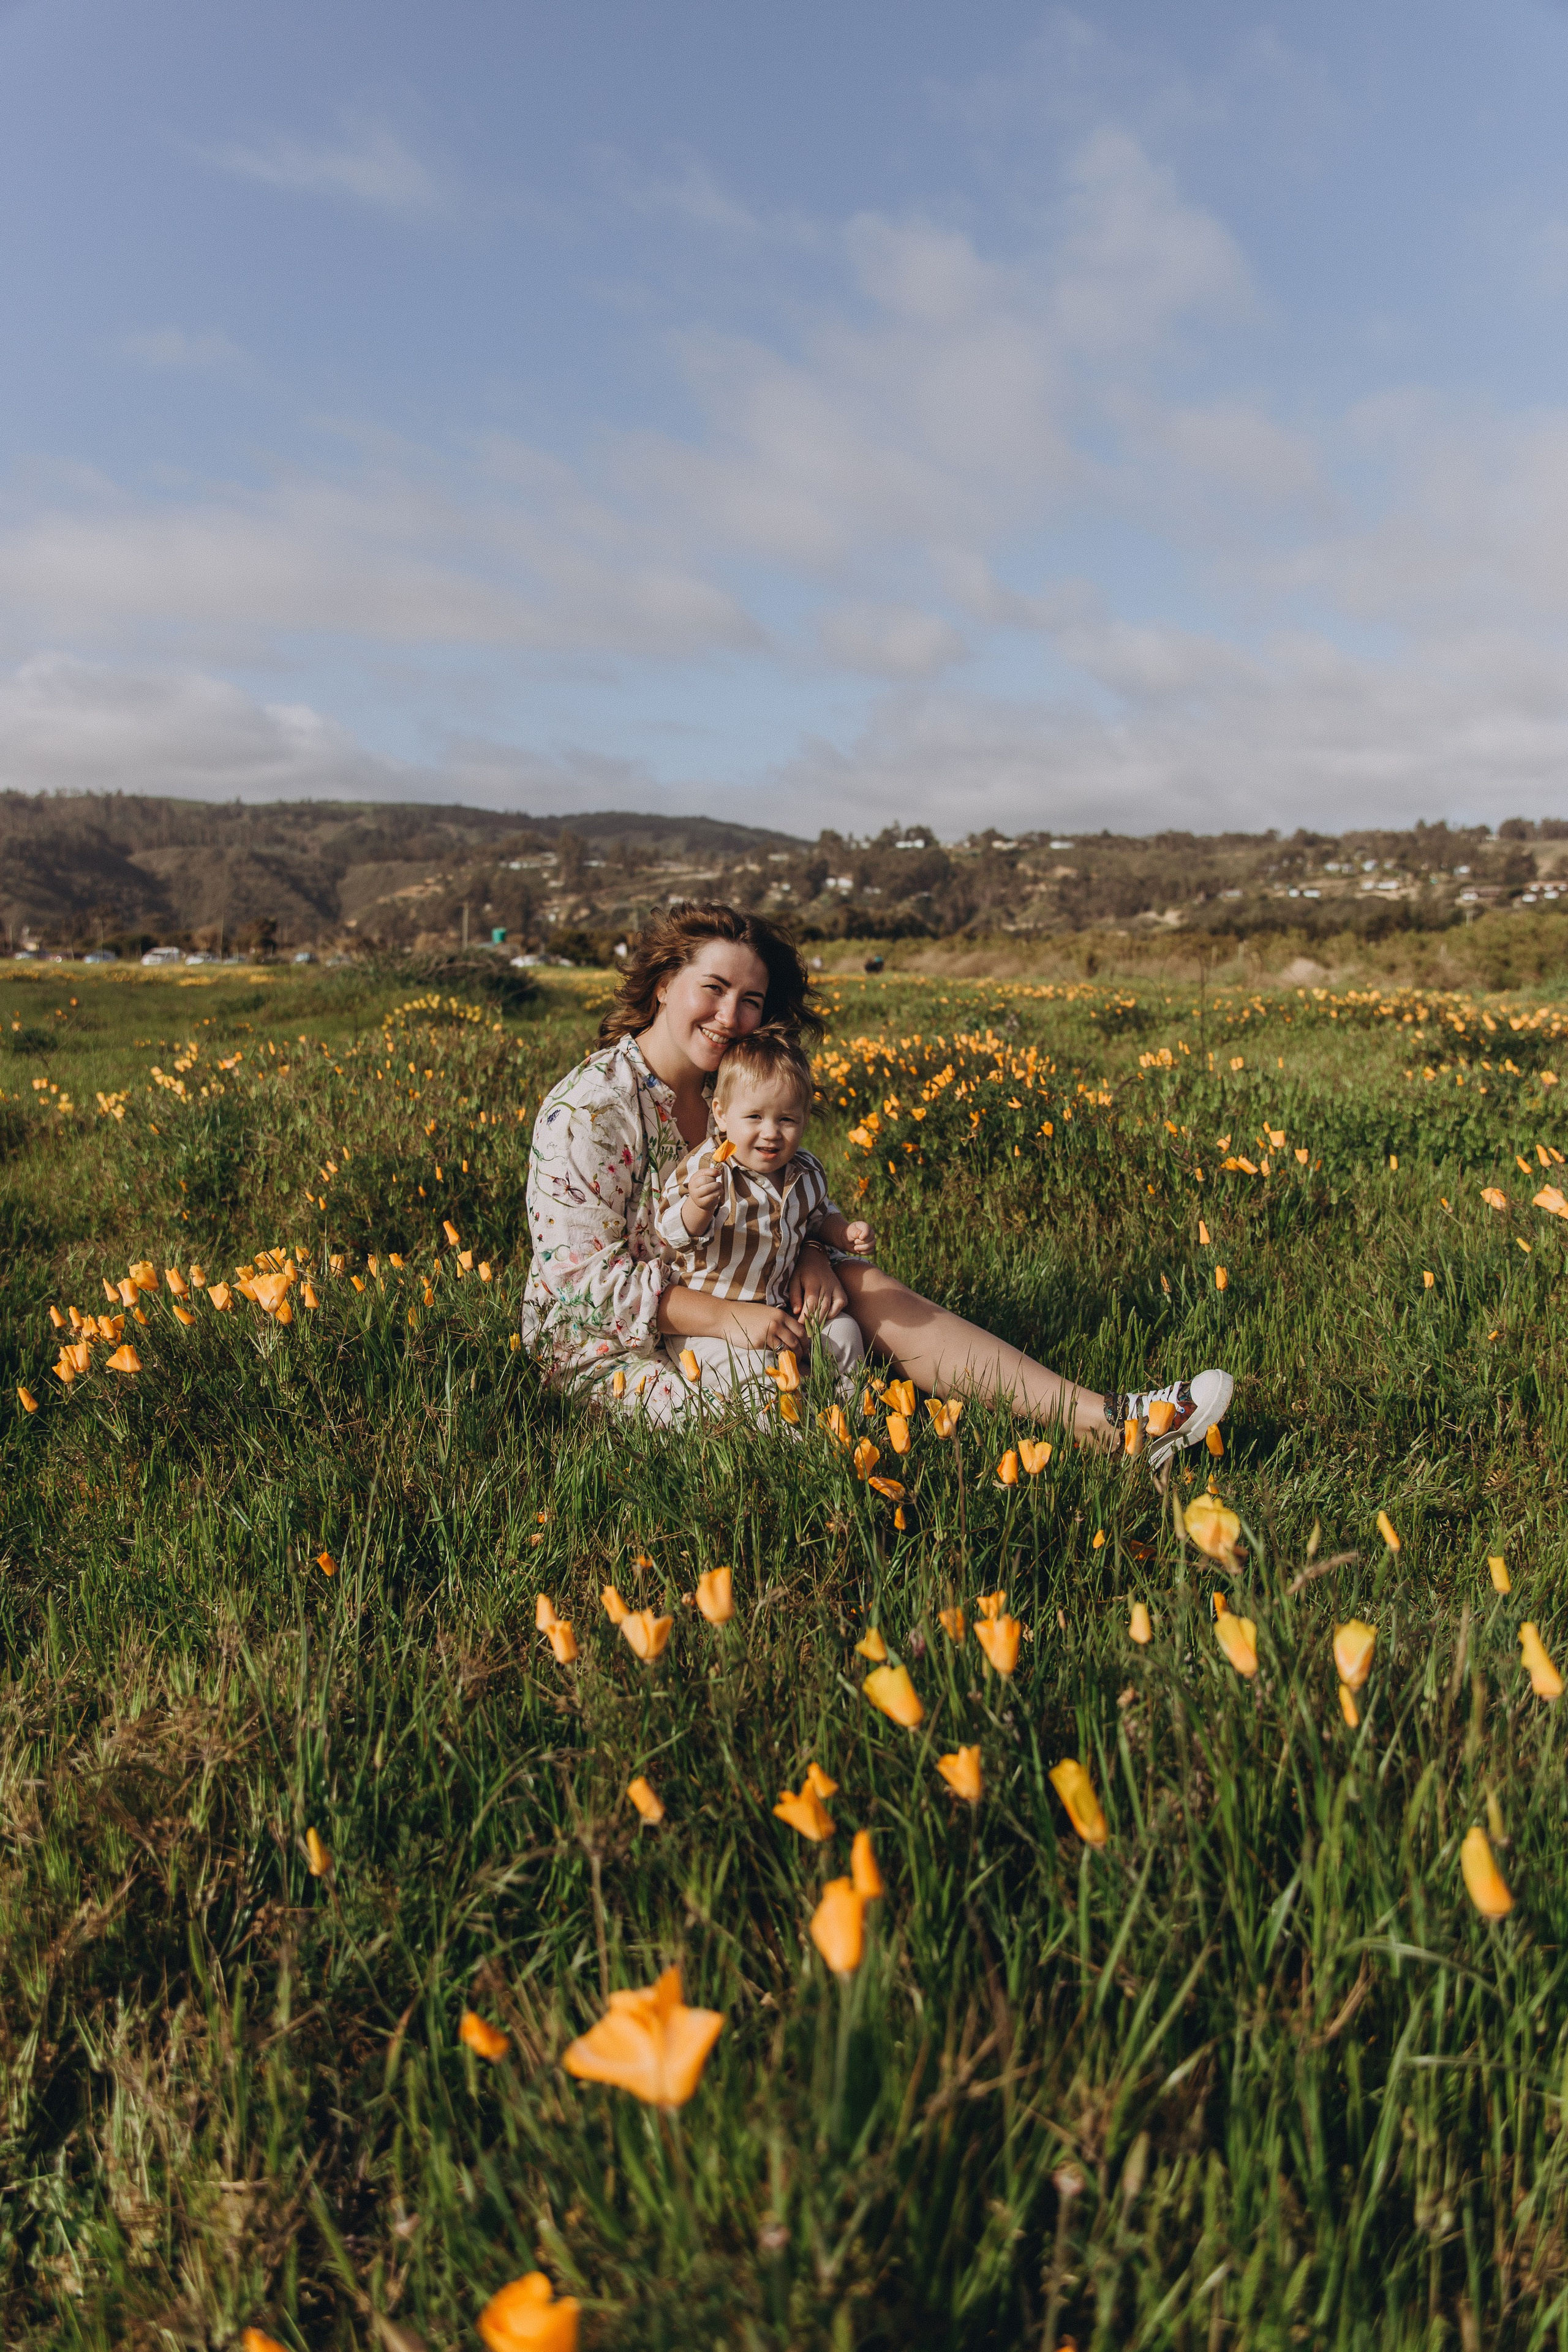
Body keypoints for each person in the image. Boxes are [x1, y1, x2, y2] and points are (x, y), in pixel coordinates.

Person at [521, 902, 1233, 1457]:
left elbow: (774, 1196)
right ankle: (892, 1469)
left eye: (752, 1001)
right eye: (712, 989)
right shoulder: (589, 1110)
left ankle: (1108, 1422)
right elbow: (581, 1293)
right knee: (786, 1430)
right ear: (663, 983)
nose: (731, 1018)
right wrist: (731, 1319)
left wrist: (802, 1247)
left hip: (742, 1292)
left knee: (850, 1275)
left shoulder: (729, 1091)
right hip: (616, 1345)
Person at [654, 1026, 871, 1406]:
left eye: (786, 1119)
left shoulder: (805, 1170)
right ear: (721, 1115)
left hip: (781, 1308)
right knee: (754, 1378)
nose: (770, 1133)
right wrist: (697, 1208)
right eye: (754, 1116)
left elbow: (819, 1217)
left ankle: (851, 1413)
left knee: (847, 1334)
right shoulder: (708, 1168)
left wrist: (845, 1233)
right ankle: (788, 1437)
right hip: (711, 1325)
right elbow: (671, 1232)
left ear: (804, 1118)